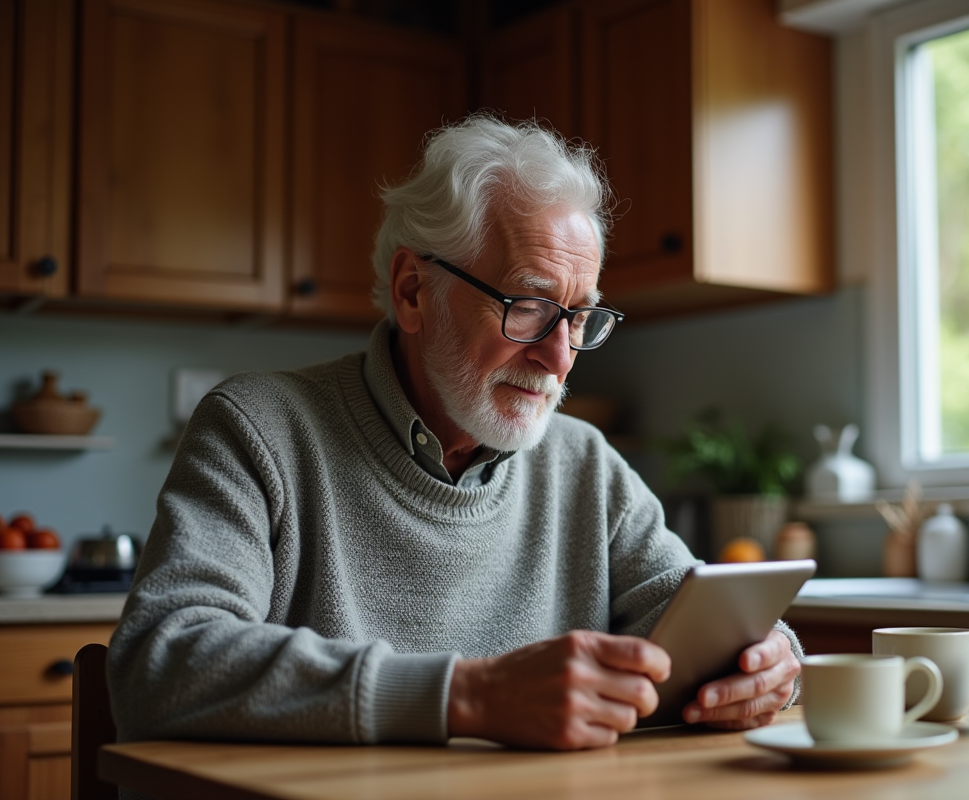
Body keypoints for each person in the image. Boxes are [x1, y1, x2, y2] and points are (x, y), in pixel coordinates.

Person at [107, 115, 802, 753]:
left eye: (578, 318)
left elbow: (691, 613)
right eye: (528, 306)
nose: (559, 358)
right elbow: (159, 663)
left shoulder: (583, 462)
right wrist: (468, 696)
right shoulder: (257, 428)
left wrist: (766, 661)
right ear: (413, 291)